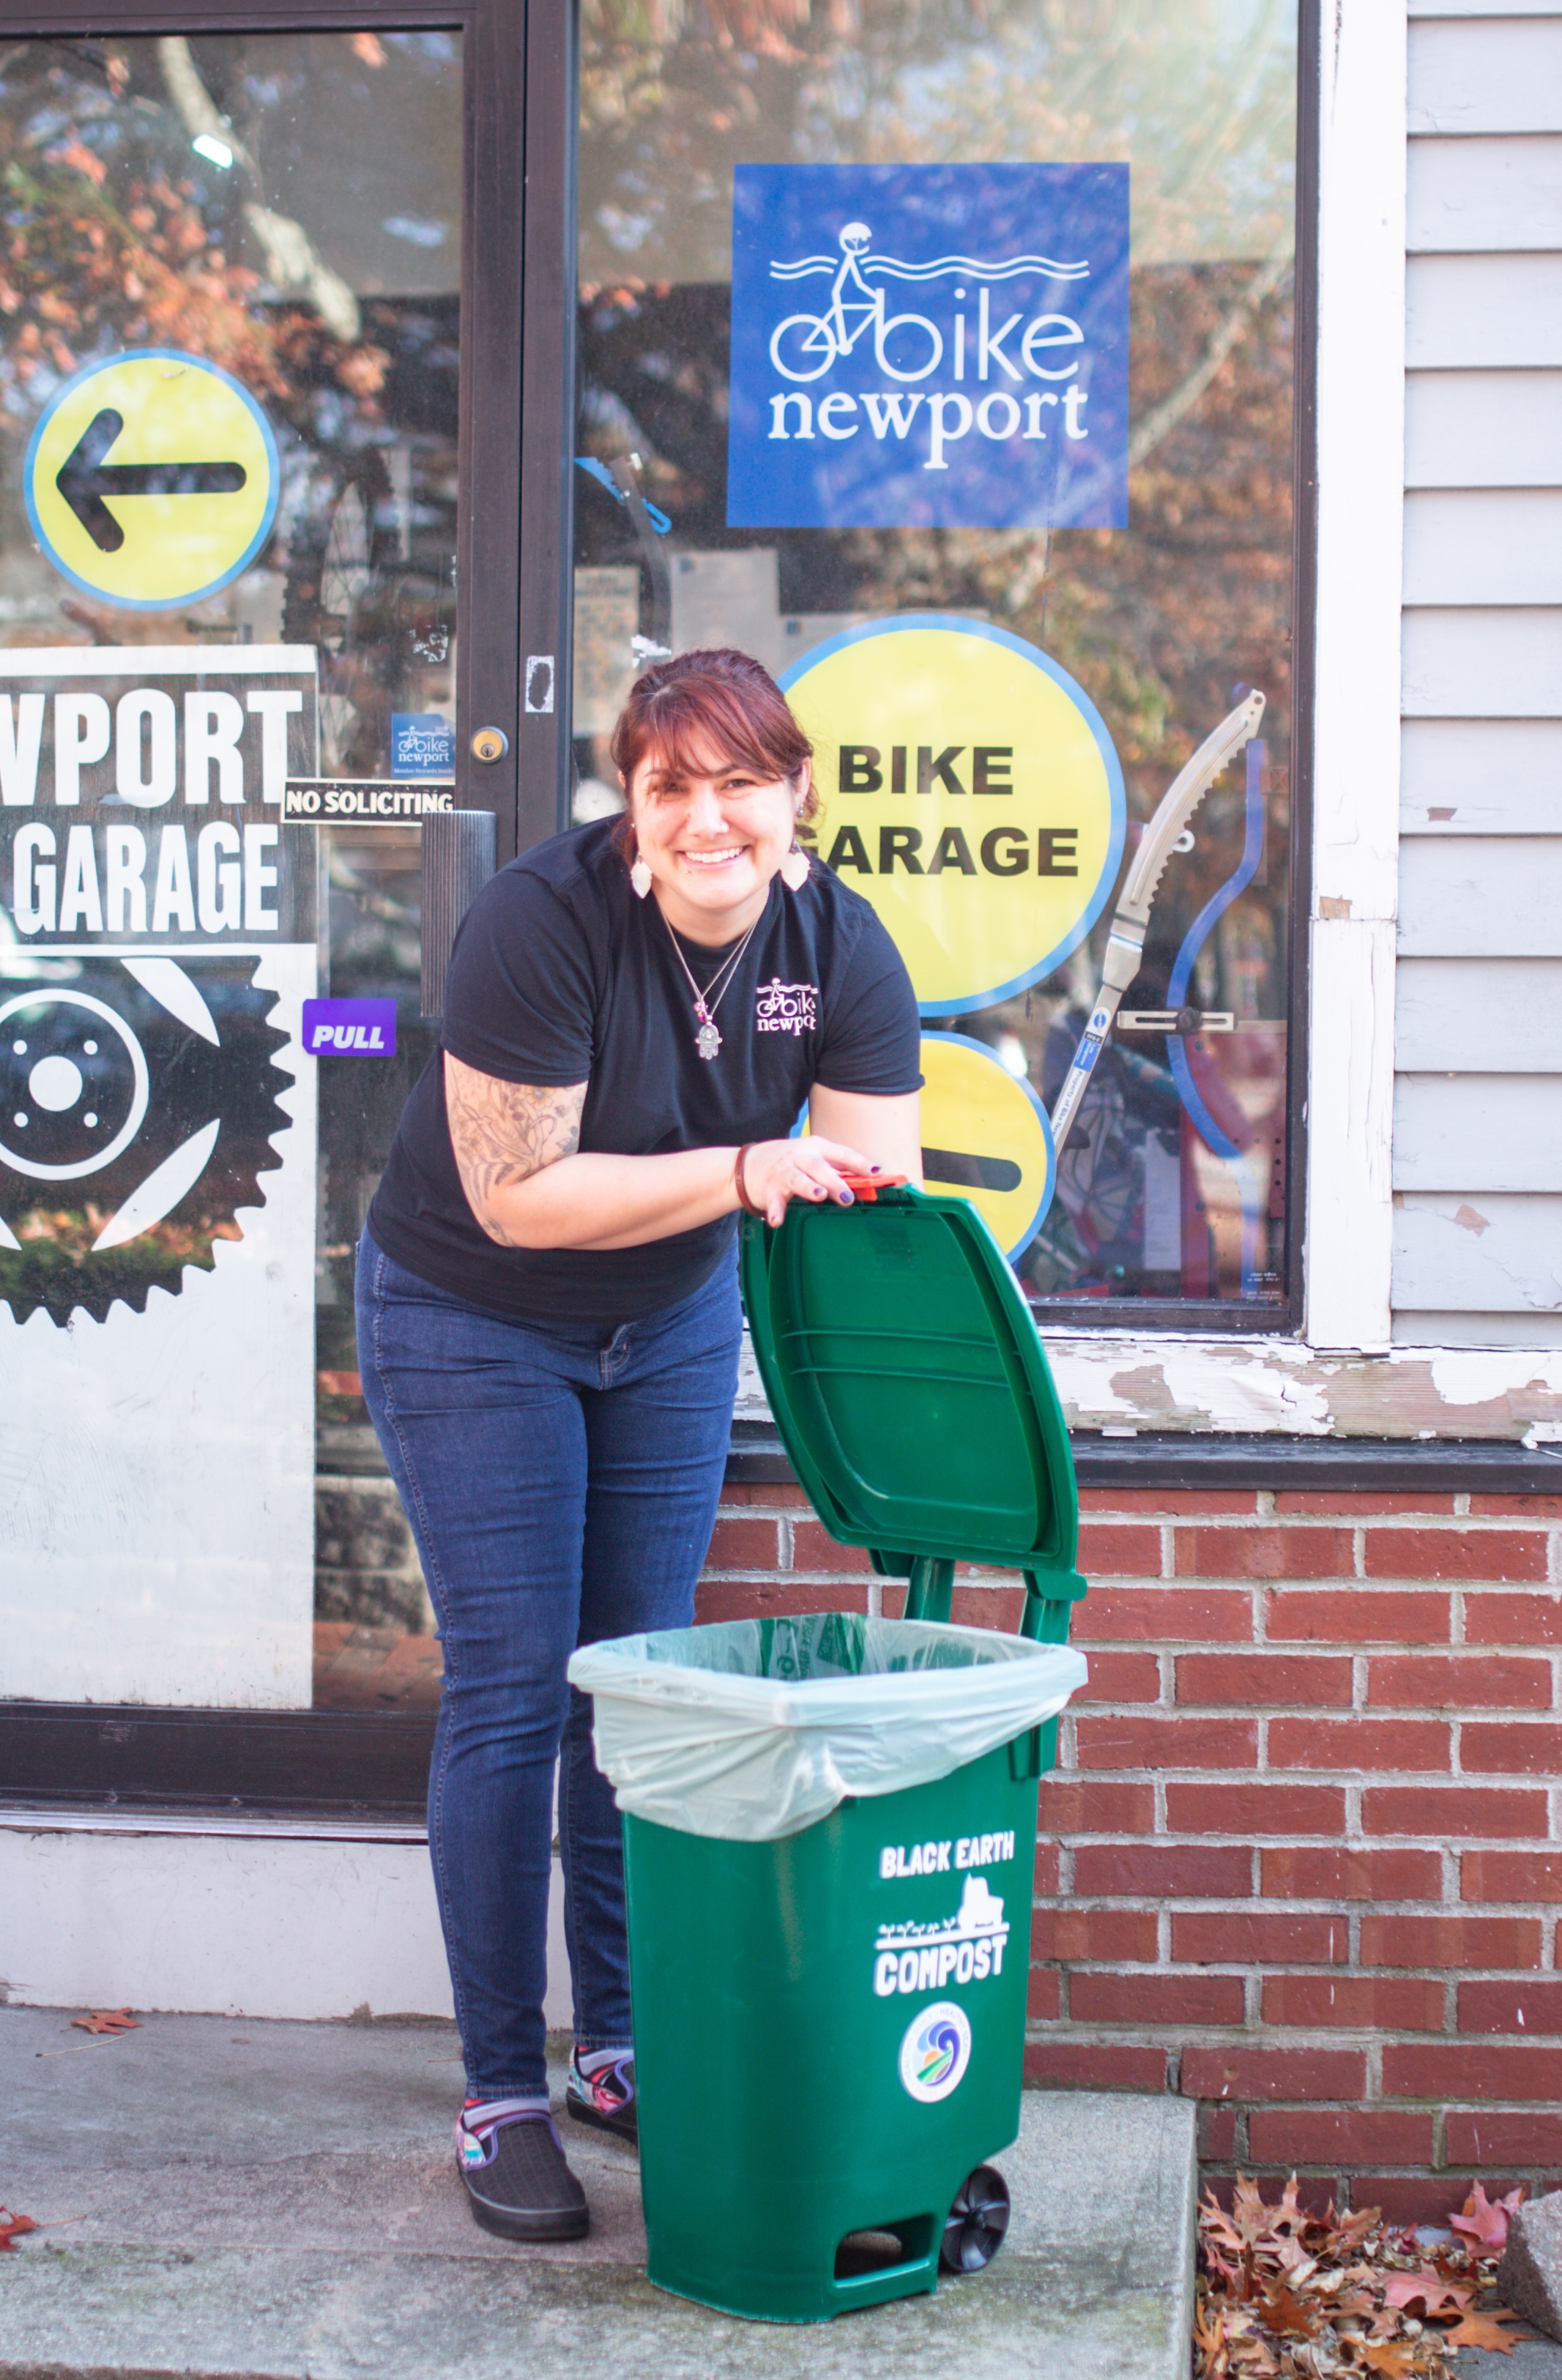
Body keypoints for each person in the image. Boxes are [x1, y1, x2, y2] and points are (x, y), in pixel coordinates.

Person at [356, 647, 924, 2242]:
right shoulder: (540, 924)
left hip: (669, 1322)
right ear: (634, 800)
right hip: (477, 1314)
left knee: (639, 1689)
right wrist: (754, 1166)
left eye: (743, 779)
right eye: (671, 785)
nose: (709, 817)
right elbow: (516, 1199)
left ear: (797, 792)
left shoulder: (837, 940)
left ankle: (616, 2048)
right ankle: (498, 2092)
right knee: (517, 1685)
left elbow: (873, 1178)